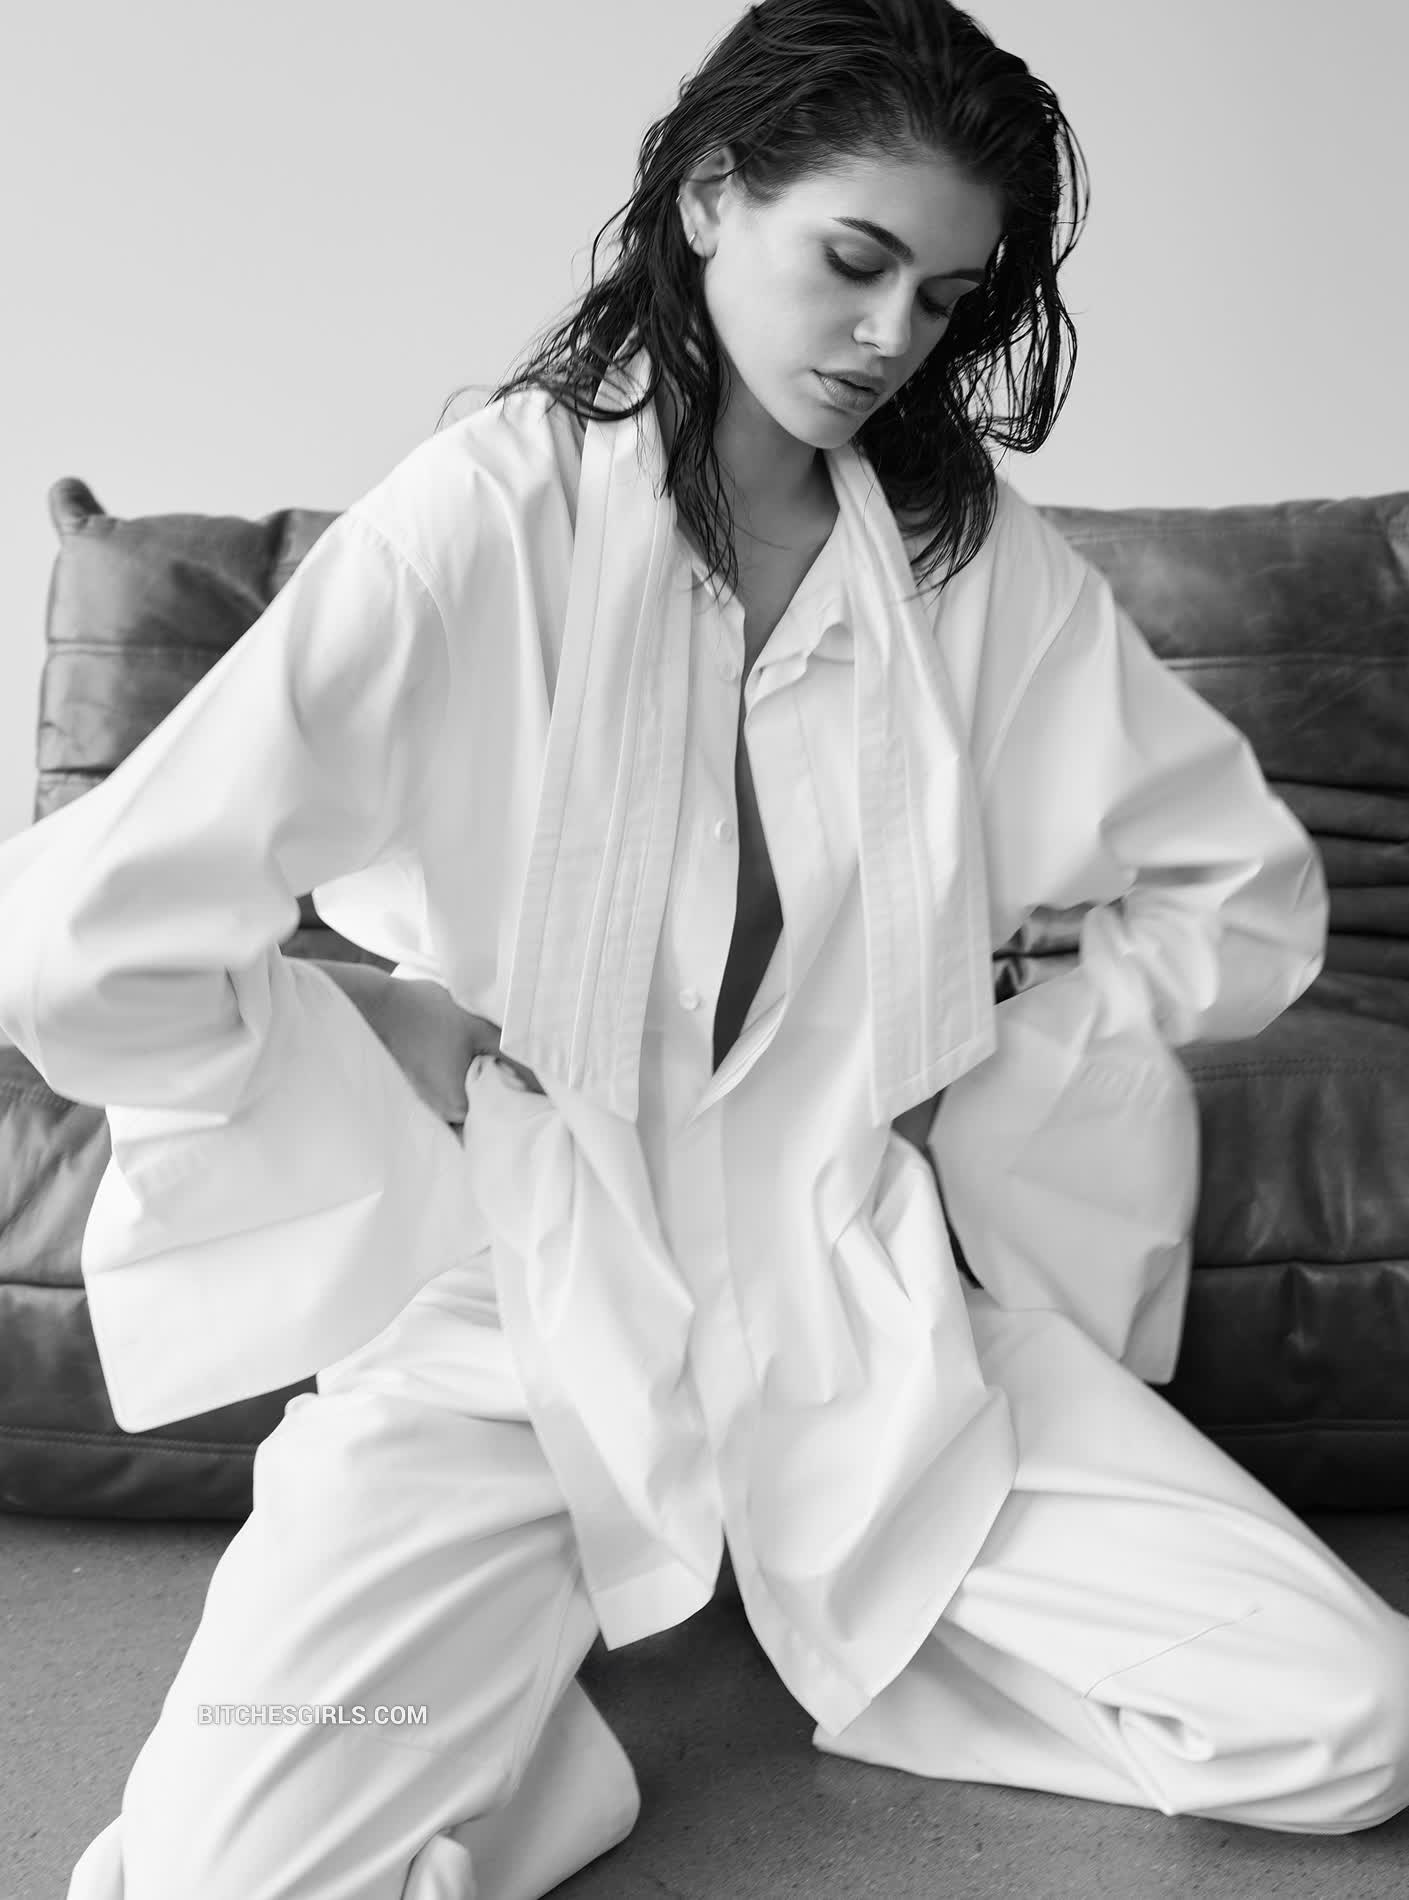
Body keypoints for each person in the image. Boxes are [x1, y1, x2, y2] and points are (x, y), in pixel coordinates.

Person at [1, 2, 1406, 1894]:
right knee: (208, 1883)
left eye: (943, 294)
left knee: (1346, 1726)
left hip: (856, 1310)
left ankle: (780, 1621)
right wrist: (375, 1031)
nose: (891, 336)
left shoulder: (962, 561)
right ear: (710, 196)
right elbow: (83, 933)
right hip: (521, 1320)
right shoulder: (482, 522)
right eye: (853, 259)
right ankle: (542, 1755)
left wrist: (980, 1063)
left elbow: (1240, 892)